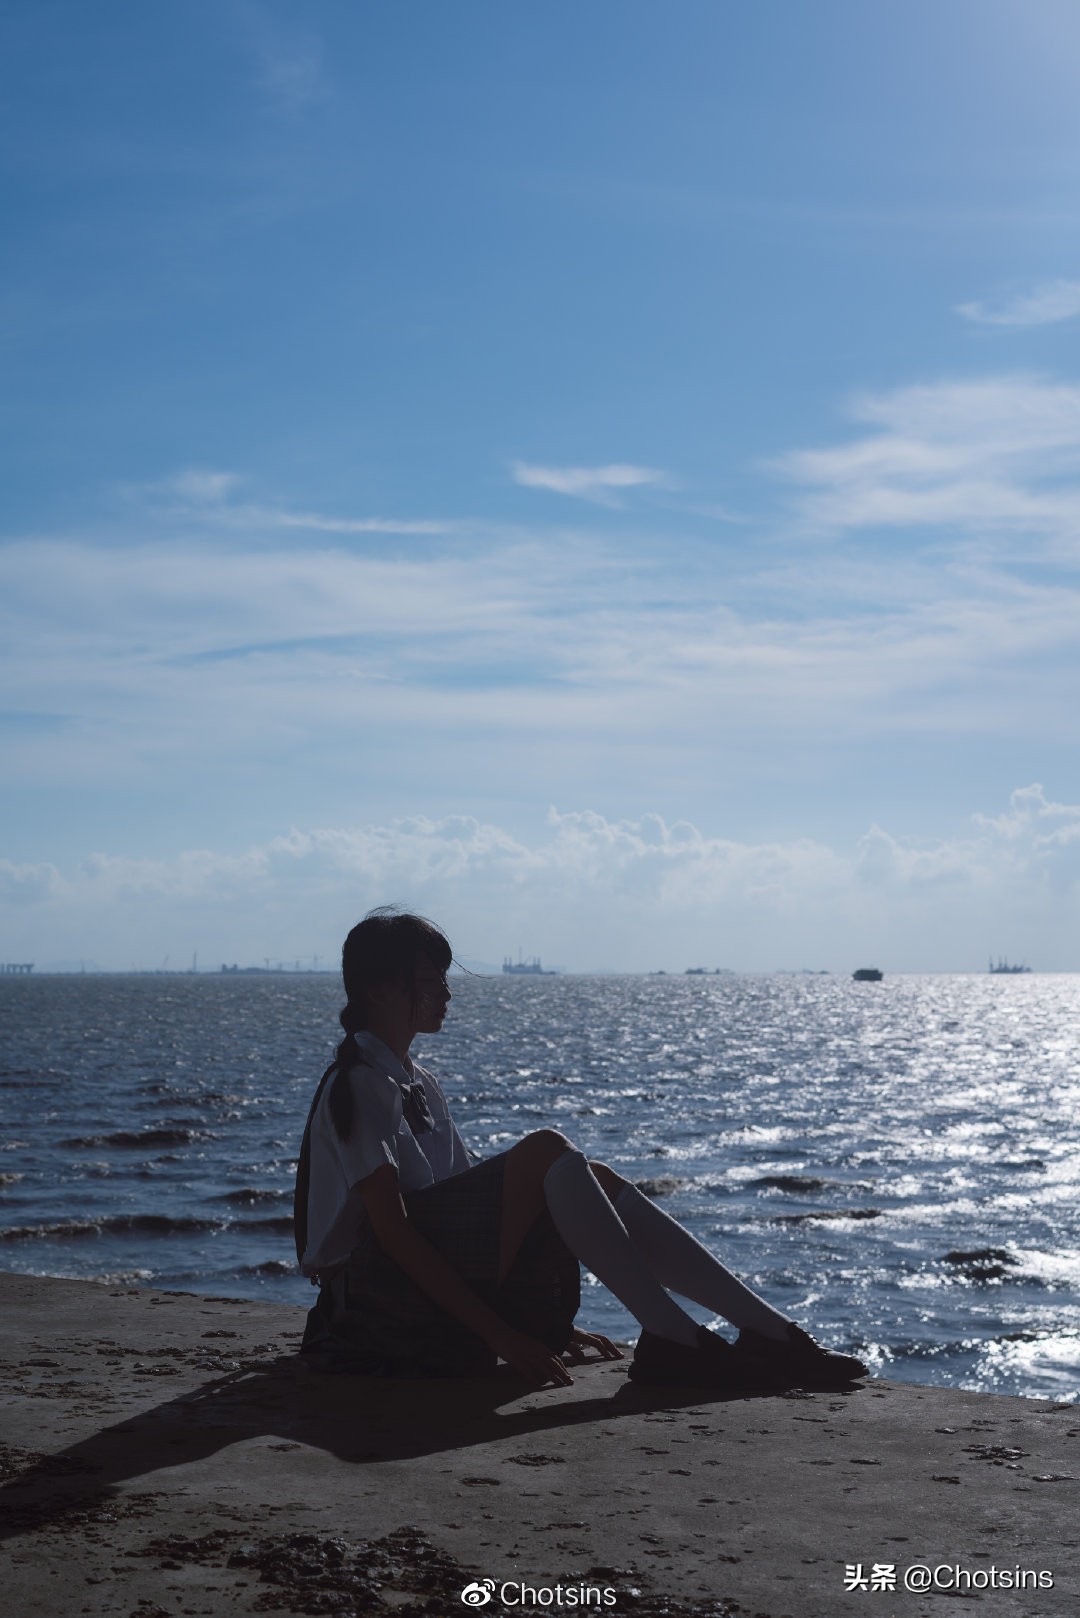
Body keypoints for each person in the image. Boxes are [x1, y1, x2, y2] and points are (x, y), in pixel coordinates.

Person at [294, 908, 868, 1389]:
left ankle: (769, 1332)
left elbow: (457, 1211)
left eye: (443, 978)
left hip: (411, 1292)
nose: (445, 993)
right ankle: (676, 1340)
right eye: (428, 980)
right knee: (547, 1151)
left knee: (591, 1174)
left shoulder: (415, 1081)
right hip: (369, 1309)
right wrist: (499, 1334)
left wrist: (545, 1326)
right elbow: (392, 1235)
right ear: (377, 989)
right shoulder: (360, 1085)